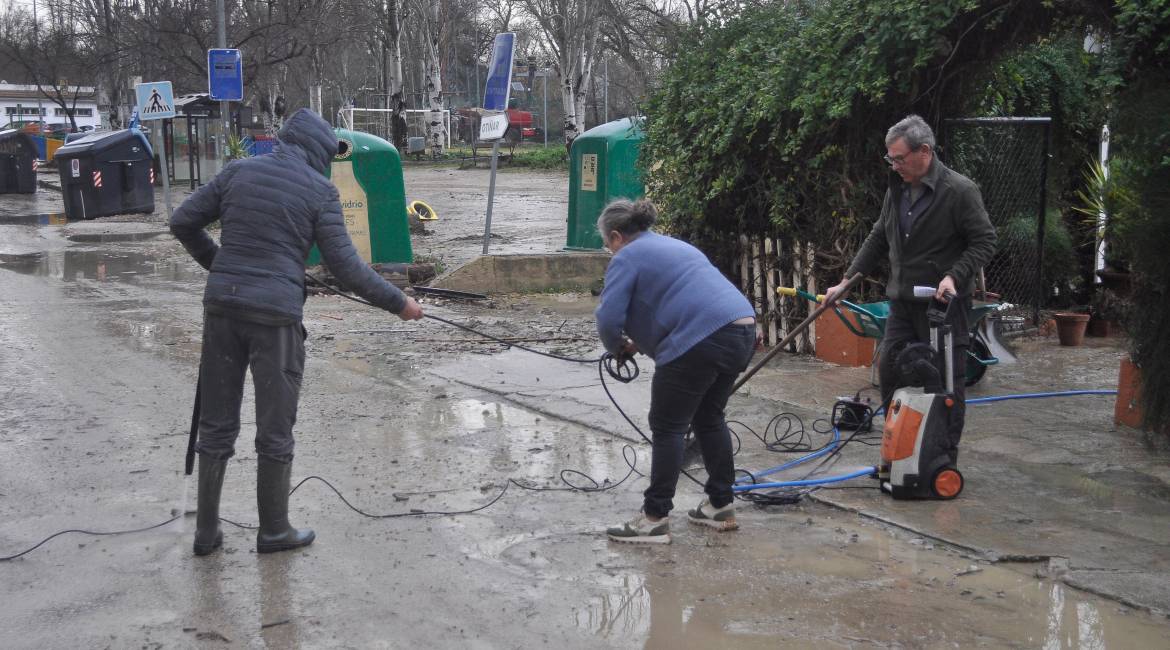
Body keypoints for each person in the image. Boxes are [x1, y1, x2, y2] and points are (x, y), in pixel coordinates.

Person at [170, 108, 424, 556]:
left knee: (215, 423)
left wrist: (221, 265)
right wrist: (399, 303)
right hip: (275, 320)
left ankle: (205, 533)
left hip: (222, 310)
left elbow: (182, 221)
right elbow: (347, 268)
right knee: (274, 427)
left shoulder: (238, 172)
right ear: (320, 154)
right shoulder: (319, 191)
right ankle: (273, 531)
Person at [825, 115, 996, 466]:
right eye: (891, 158)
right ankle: (897, 451)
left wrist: (954, 276)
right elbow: (877, 237)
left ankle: (941, 461)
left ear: (925, 152)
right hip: (902, 303)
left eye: (900, 158)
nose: (895, 165)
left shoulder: (959, 191)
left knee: (945, 382)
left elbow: (984, 240)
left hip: (942, 307)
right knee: (889, 370)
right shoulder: (897, 189)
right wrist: (846, 281)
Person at [595, 199, 759, 545]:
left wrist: (617, 347)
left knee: (668, 426)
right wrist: (641, 339)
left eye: (606, 244)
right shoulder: (673, 244)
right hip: (741, 328)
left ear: (615, 236)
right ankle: (720, 505)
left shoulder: (626, 255)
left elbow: (608, 319)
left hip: (701, 339)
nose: (609, 251)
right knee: (710, 418)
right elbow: (682, 298)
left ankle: (654, 518)